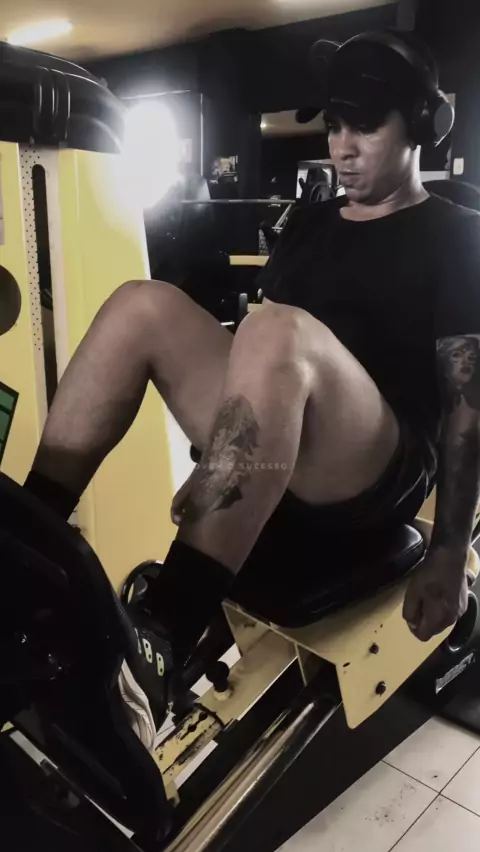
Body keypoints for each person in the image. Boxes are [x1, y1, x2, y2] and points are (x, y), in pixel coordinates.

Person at [25, 30, 480, 688]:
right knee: (141, 303)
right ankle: (28, 548)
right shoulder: (312, 221)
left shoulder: (458, 234)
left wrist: (450, 550)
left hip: (381, 465)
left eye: (365, 127)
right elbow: (259, 361)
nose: (343, 147)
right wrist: (225, 452)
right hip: (290, 435)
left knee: (275, 330)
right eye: (335, 126)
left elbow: (467, 407)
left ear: (422, 124)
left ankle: (167, 633)